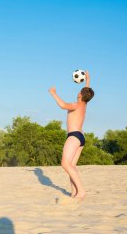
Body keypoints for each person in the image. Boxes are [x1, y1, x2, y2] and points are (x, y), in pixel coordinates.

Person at [49, 71, 94, 199]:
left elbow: (63, 105)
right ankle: (74, 192)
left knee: (65, 164)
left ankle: (81, 191)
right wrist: (88, 80)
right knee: (72, 166)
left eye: (81, 91)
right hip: (81, 137)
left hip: (74, 136)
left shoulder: (76, 105)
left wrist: (54, 94)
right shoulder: (85, 104)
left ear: (80, 94)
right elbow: (87, 93)